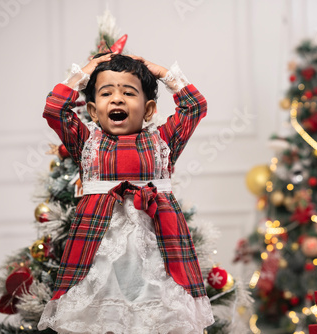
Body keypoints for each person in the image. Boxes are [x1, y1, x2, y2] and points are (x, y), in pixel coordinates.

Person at [37, 53, 214, 333]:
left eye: (129, 93)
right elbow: (55, 109)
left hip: (157, 253)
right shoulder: (87, 143)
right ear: (94, 112)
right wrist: (84, 72)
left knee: (156, 317)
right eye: (107, 93)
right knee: (104, 318)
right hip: (99, 252)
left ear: (148, 109)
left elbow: (194, 107)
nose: (117, 99)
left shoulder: (162, 142)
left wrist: (162, 73)